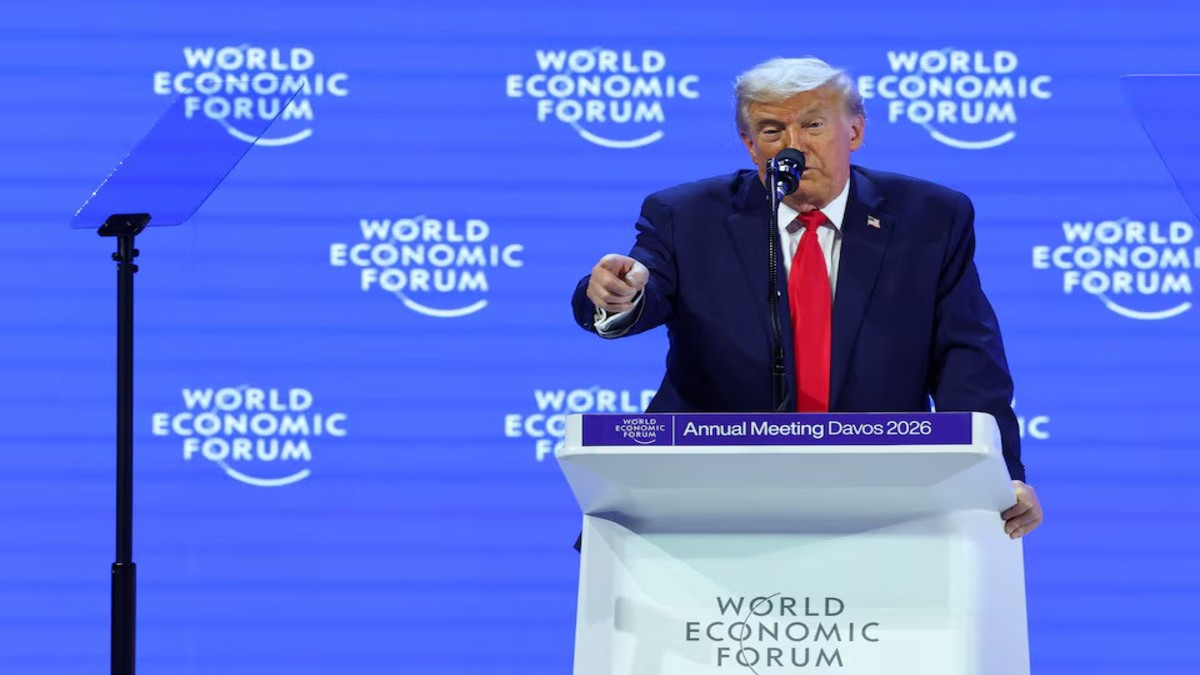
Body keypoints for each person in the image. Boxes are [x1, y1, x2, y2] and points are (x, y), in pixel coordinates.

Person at [570, 57, 1042, 539]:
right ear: (750, 146)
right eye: (772, 131)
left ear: (854, 131)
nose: (793, 146)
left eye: (813, 124)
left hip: (884, 490)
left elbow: (966, 357)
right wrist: (618, 296)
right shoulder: (686, 215)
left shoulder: (931, 218)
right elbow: (642, 287)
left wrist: (1000, 477)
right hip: (705, 491)